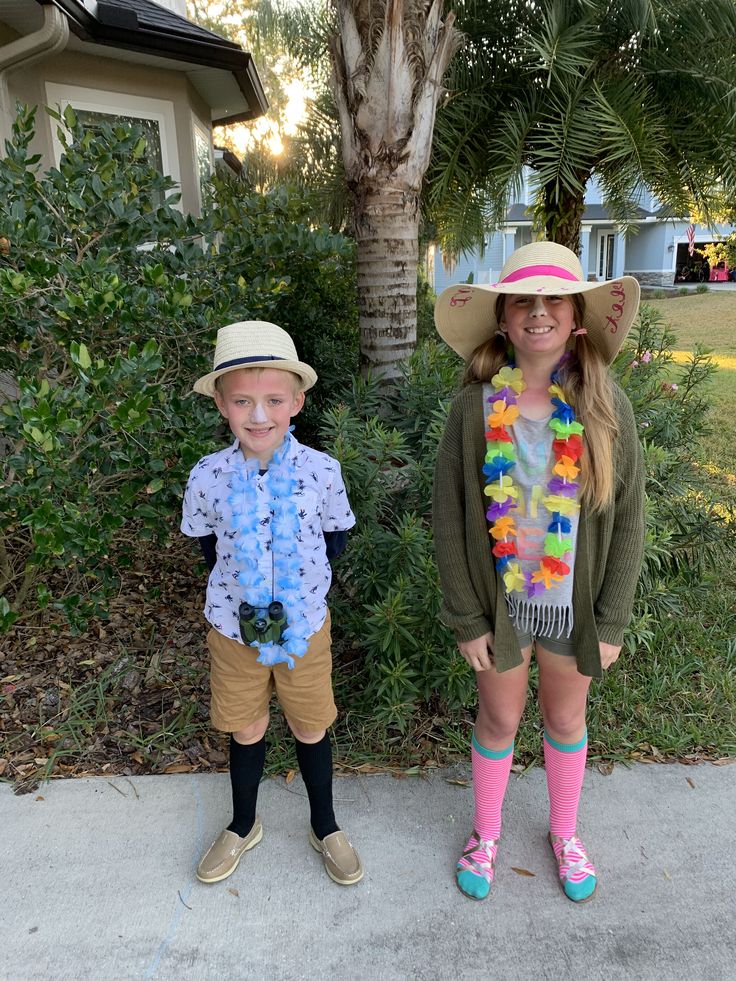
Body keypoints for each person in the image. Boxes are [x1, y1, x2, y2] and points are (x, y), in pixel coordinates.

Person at [433, 242, 645, 903]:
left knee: (565, 718)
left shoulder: (605, 409)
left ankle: (564, 831)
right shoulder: (473, 411)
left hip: (571, 606)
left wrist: (609, 620)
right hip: (502, 607)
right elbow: (448, 516)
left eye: (554, 299)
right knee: (498, 720)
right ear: (503, 318)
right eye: (523, 300)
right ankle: (487, 832)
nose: (538, 312)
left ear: (576, 315)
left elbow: (631, 520)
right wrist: (467, 617)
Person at [181, 320, 363, 886]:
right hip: (234, 630)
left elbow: (333, 538)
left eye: (273, 401)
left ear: (297, 402)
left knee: (311, 726)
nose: (259, 415)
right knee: (246, 726)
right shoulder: (207, 477)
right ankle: (242, 824)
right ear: (221, 404)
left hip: (304, 625)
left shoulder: (321, 472)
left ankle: (325, 824)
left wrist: (295, 590)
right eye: (242, 401)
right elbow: (208, 547)